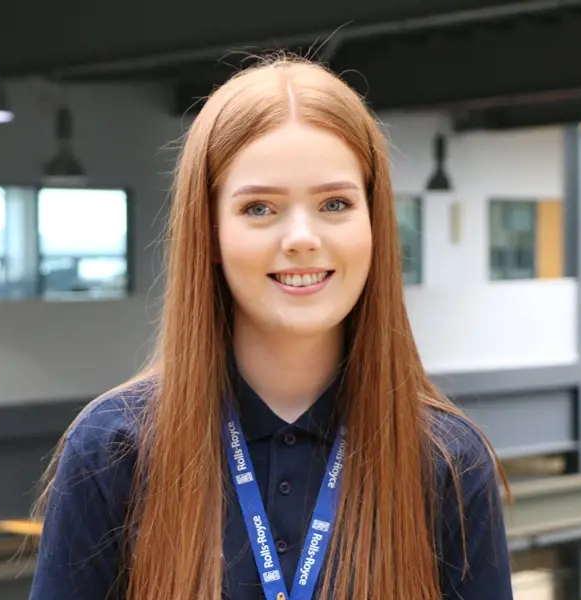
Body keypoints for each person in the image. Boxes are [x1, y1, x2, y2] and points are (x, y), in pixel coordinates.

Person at [27, 54, 513, 600]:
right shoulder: (114, 449)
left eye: (335, 203)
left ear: (374, 223)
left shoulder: (446, 459)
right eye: (260, 208)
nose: (302, 237)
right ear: (208, 233)